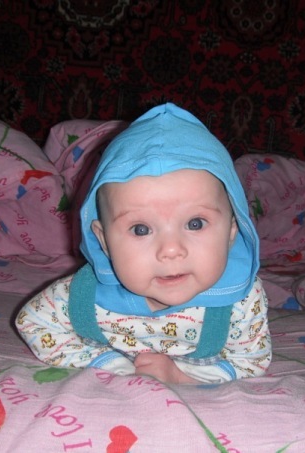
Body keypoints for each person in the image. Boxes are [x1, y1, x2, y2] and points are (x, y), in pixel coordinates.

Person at [16, 103, 271, 384]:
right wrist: (108, 363)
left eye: (195, 224)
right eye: (141, 229)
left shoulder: (240, 300)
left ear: (232, 231)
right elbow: (33, 323)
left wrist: (183, 378)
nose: (171, 250)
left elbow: (250, 361)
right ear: (104, 240)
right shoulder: (83, 295)